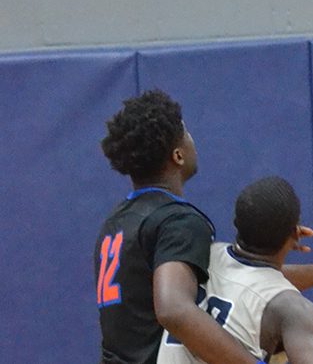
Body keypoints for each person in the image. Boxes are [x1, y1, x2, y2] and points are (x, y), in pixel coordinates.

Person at [95, 89, 261, 364]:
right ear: (178, 155)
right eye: (186, 133)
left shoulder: (114, 223)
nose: (193, 140)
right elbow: (174, 309)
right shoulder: (177, 222)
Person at [157, 176, 313, 364]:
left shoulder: (199, 256)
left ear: (235, 223)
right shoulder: (294, 309)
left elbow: (249, 279)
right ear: (295, 233)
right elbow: (260, 286)